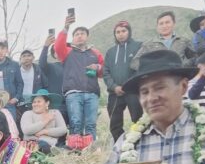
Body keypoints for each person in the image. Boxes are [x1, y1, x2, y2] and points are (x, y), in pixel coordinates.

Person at [54, 19, 104, 150]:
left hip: (92, 93)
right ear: (73, 38)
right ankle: (75, 151)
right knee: (75, 123)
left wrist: (98, 67)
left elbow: (104, 71)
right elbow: (57, 47)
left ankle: (90, 151)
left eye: (82, 33)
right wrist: (66, 27)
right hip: (73, 93)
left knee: (91, 124)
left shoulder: (95, 53)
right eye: (76, 34)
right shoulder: (67, 51)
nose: (80, 35)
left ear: (87, 36)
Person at [104, 20, 144, 142]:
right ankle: (120, 147)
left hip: (132, 90)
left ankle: (139, 144)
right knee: (114, 123)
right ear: (115, 34)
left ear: (129, 32)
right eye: (117, 32)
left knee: (138, 120)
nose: (120, 34)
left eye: (123, 31)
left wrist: (130, 85)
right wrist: (114, 87)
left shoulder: (138, 46)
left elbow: (141, 68)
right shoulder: (110, 52)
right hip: (115, 93)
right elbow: (106, 72)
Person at [131, 10, 196, 70]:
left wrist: (183, 66)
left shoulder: (183, 41)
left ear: (174, 24)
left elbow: (195, 57)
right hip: (158, 79)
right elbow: (134, 63)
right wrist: (152, 68)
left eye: (167, 22)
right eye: (161, 23)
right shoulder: (149, 44)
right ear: (157, 26)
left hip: (179, 77)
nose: (164, 26)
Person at [15, 49, 44, 122]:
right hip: (19, 103)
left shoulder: (38, 70)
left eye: (29, 55)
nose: (26, 58)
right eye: (24, 56)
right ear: (20, 59)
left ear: (33, 58)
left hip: (34, 102)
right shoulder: (15, 71)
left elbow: (45, 85)